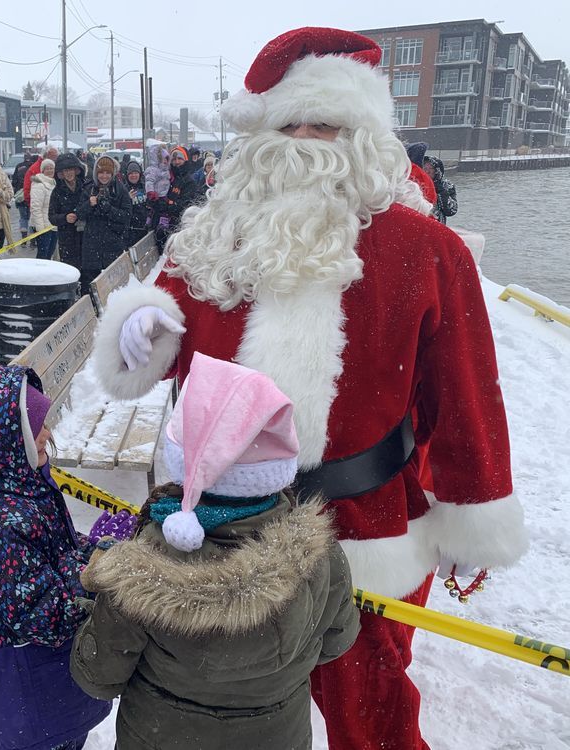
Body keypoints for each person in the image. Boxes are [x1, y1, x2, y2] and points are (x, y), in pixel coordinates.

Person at [91, 27, 528, 750]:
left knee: (372, 710)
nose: (303, 140)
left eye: (323, 123)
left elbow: (465, 394)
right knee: (219, 710)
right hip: (219, 520)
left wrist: (470, 507)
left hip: (366, 523)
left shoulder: (429, 253)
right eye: (285, 123)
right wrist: (145, 329)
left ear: (364, 133)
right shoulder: (210, 243)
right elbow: (165, 331)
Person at [71, 354, 359, 750]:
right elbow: (337, 640)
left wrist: (92, 608)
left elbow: (98, 676)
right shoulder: (319, 552)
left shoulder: (142, 574)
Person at [0, 366, 130, 750]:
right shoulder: (0, 525)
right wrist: (94, 583)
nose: (47, 434)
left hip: (41, 677)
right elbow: (42, 613)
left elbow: (56, 546)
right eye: (36, 429)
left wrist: (95, 551)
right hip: (23, 680)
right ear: (0, 446)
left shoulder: (20, 484)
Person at [76, 154, 131, 290]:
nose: (104, 176)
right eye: (101, 173)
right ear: (96, 173)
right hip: (91, 245)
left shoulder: (120, 190)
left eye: (107, 173)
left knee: (113, 286)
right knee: (89, 283)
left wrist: (109, 209)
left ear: (112, 173)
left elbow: (126, 216)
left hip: (112, 245)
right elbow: (79, 214)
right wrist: (90, 204)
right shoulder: (89, 189)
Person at [48, 152, 89, 273]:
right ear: (60, 174)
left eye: (70, 169)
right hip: (67, 239)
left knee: (87, 271)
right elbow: (51, 217)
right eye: (65, 171)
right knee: (71, 271)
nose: (69, 173)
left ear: (77, 170)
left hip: (86, 236)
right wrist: (65, 218)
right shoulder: (57, 192)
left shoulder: (86, 187)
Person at [29, 158, 57, 260]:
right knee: (43, 254)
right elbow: (36, 207)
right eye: (47, 168)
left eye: (52, 168)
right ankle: (39, 274)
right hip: (43, 225)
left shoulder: (53, 183)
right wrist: (40, 227)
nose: (50, 171)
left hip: (52, 225)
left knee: (50, 252)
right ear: (43, 170)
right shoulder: (39, 184)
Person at [123, 160, 149, 247]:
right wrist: (128, 199)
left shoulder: (145, 186)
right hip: (132, 229)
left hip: (146, 227)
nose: (133, 175)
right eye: (131, 173)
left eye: (135, 173)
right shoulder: (124, 189)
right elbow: (122, 210)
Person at [12, 151, 37, 241]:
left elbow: (14, 181)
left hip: (20, 196)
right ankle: (32, 239)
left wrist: (18, 189)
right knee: (31, 218)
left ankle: (24, 238)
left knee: (23, 217)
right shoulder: (33, 168)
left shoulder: (19, 166)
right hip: (31, 195)